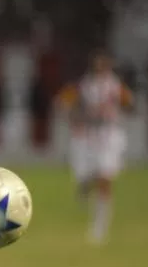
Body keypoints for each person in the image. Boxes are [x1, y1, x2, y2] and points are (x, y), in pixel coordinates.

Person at [56, 50, 134, 245]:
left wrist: (116, 109)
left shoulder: (115, 86)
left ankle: (99, 227)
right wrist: (76, 118)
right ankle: (84, 186)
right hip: (88, 137)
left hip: (109, 136)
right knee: (88, 177)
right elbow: (63, 102)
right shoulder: (84, 85)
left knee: (105, 179)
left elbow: (130, 103)